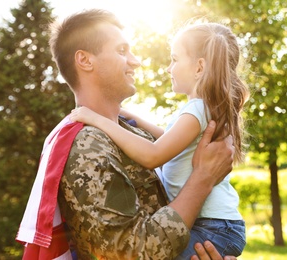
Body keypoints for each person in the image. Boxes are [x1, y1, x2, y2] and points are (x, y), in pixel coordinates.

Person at [17, 9, 237, 260]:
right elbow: (131, 252)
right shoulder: (88, 144)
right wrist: (203, 179)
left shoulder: (132, 132)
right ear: (85, 61)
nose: (136, 61)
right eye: (122, 51)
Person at [69, 21, 250, 258]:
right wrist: (132, 116)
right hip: (216, 224)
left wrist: (96, 118)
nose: (168, 68)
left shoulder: (197, 110)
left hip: (213, 227)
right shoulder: (201, 109)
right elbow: (168, 139)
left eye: (174, 59)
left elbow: (153, 155)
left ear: (199, 68)